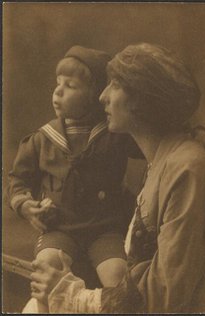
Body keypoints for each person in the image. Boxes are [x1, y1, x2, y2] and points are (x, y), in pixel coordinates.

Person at [30, 43, 205, 313]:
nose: (102, 97)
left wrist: (74, 295)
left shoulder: (188, 169)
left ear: (142, 100)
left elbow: (166, 294)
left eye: (115, 85)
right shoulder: (164, 161)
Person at [8, 45, 143, 313]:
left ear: (95, 95)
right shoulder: (42, 139)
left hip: (105, 227)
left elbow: (152, 144)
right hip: (60, 227)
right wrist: (25, 205)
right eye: (58, 83)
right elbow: (17, 181)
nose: (58, 91)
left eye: (70, 85)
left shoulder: (115, 135)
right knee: (46, 270)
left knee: (117, 275)